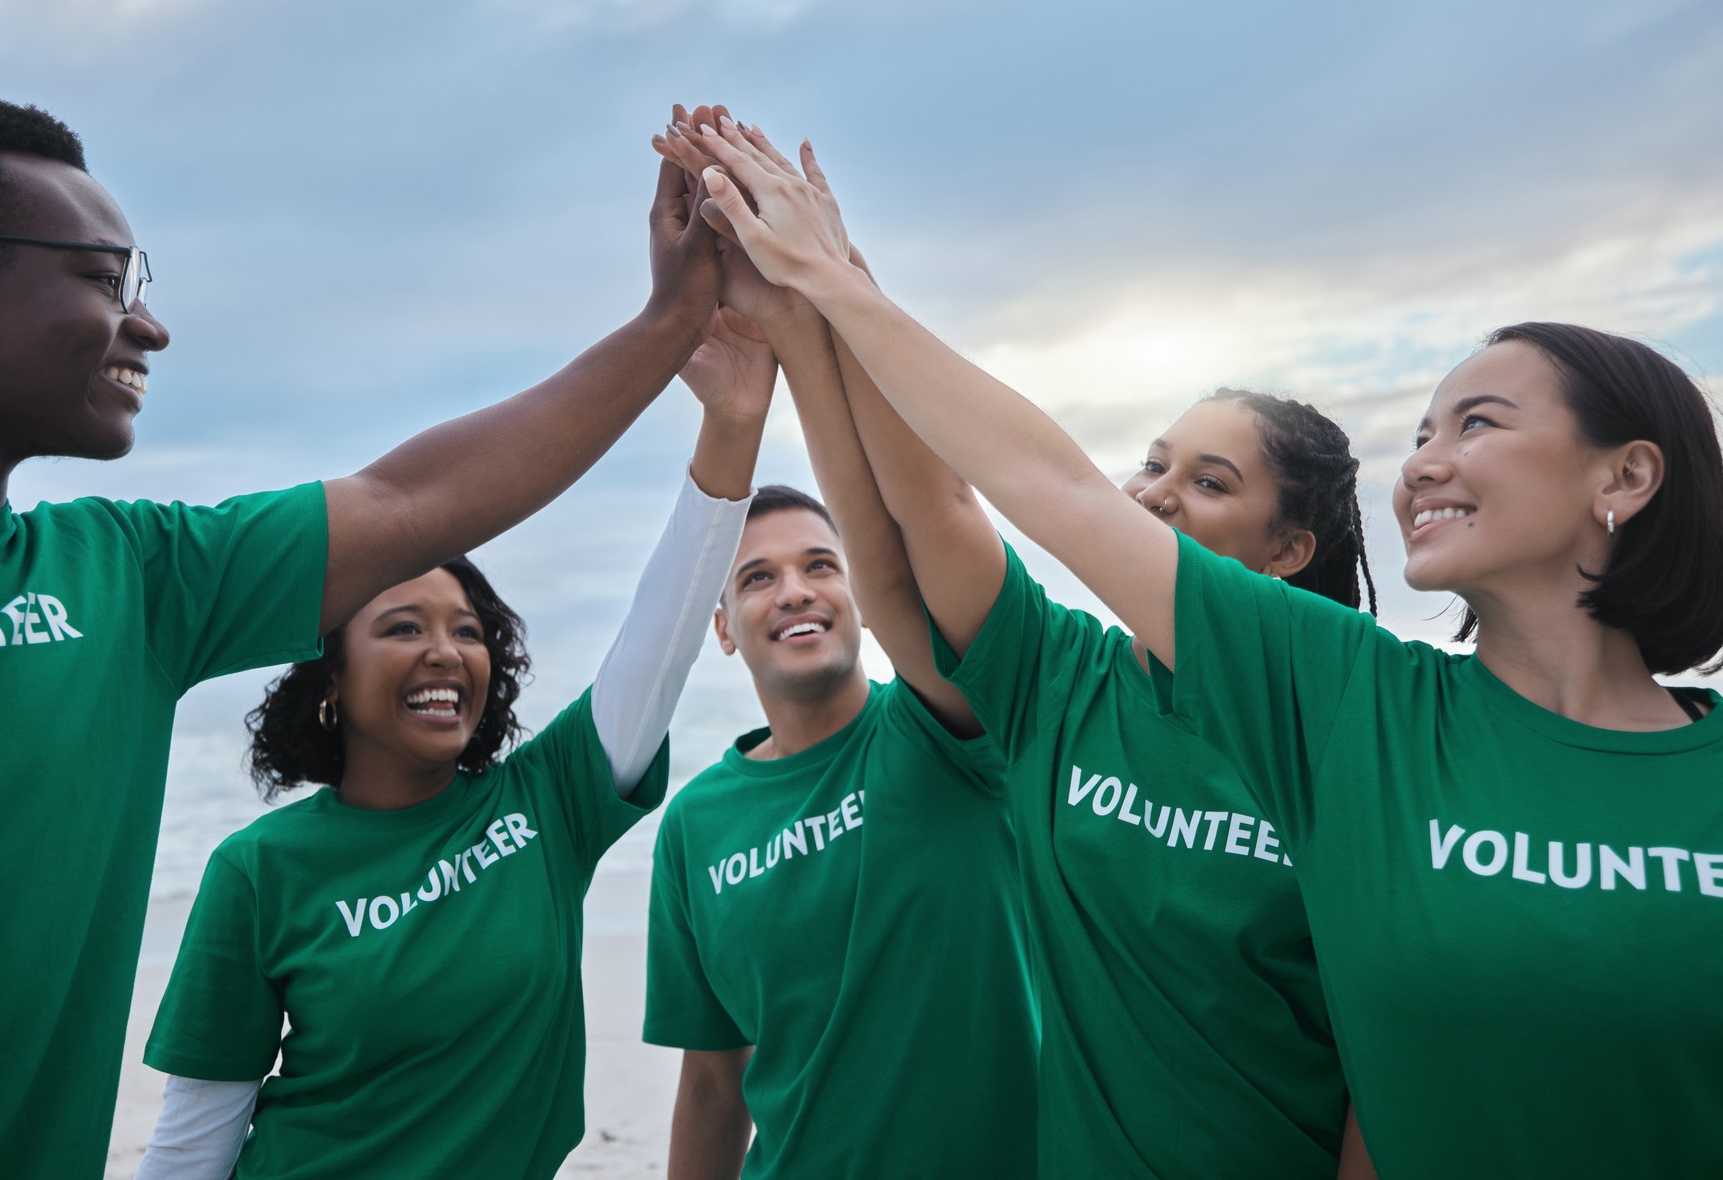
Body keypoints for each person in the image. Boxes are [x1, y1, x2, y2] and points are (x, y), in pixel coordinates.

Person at [686, 117, 1723, 1178]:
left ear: (1626, 477)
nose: (1421, 469)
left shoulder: (1341, 705)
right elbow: (966, 511)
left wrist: (828, 286)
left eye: (1477, 426)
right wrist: (816, 296)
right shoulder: (1347, 703)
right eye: (1418, 437)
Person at [0, 91, 717, 1179]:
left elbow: (415, 498)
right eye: (102, 279)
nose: (147, 324)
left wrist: (675, 320)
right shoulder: (257, 862)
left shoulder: (129, 576)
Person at [660, 113, 1377, 1178]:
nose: (1156, 496)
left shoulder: (1348, 726)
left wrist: (831, 282)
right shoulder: (1065, 681)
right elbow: (917, 525)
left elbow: (1386, 1058)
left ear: (1289, 549)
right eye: (1155, 463)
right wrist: (806, 307)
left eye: (1212, 482)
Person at [134, 302, 770, 1178]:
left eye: (467, 630)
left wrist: (732, 420)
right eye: (401, 627)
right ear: (331, 683)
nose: (444, 650)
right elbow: (197, 1130)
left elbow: (659, 637)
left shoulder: (550, 804)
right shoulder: (260, 869)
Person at [642, 113, 1037, 1175]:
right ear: (722, 628)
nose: (797, 590)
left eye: (821, 563)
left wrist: (814, 294)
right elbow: (715, 1080)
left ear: (860, 591)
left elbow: (921, 508)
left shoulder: (954, 728)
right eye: (757, 577)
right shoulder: (698, 824)